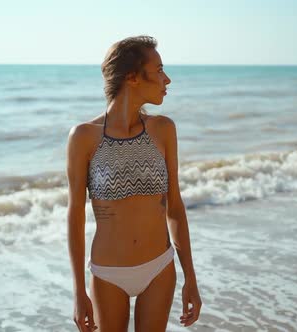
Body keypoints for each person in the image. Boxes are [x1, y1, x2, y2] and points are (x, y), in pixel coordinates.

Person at [66, 35, 202, 332]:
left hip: (159, 268)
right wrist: (78, 290)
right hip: (107, 274)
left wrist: (190, 276)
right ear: (132, 77)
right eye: (158, 70)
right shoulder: (84, 137)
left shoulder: (164, 129)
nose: (167, 79)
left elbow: (175, 206)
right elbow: (75, 216)